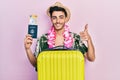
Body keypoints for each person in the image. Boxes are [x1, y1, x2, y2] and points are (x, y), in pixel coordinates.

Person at [24, 2, 95, 68]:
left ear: (65, 19)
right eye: (54, 18)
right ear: (51, 19)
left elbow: (91, 58)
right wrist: (28, 49)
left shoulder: (75, 38)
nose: (58, 21)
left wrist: (89, 40)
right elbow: (36, 64)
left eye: (61, 17)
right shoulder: (43, 39)